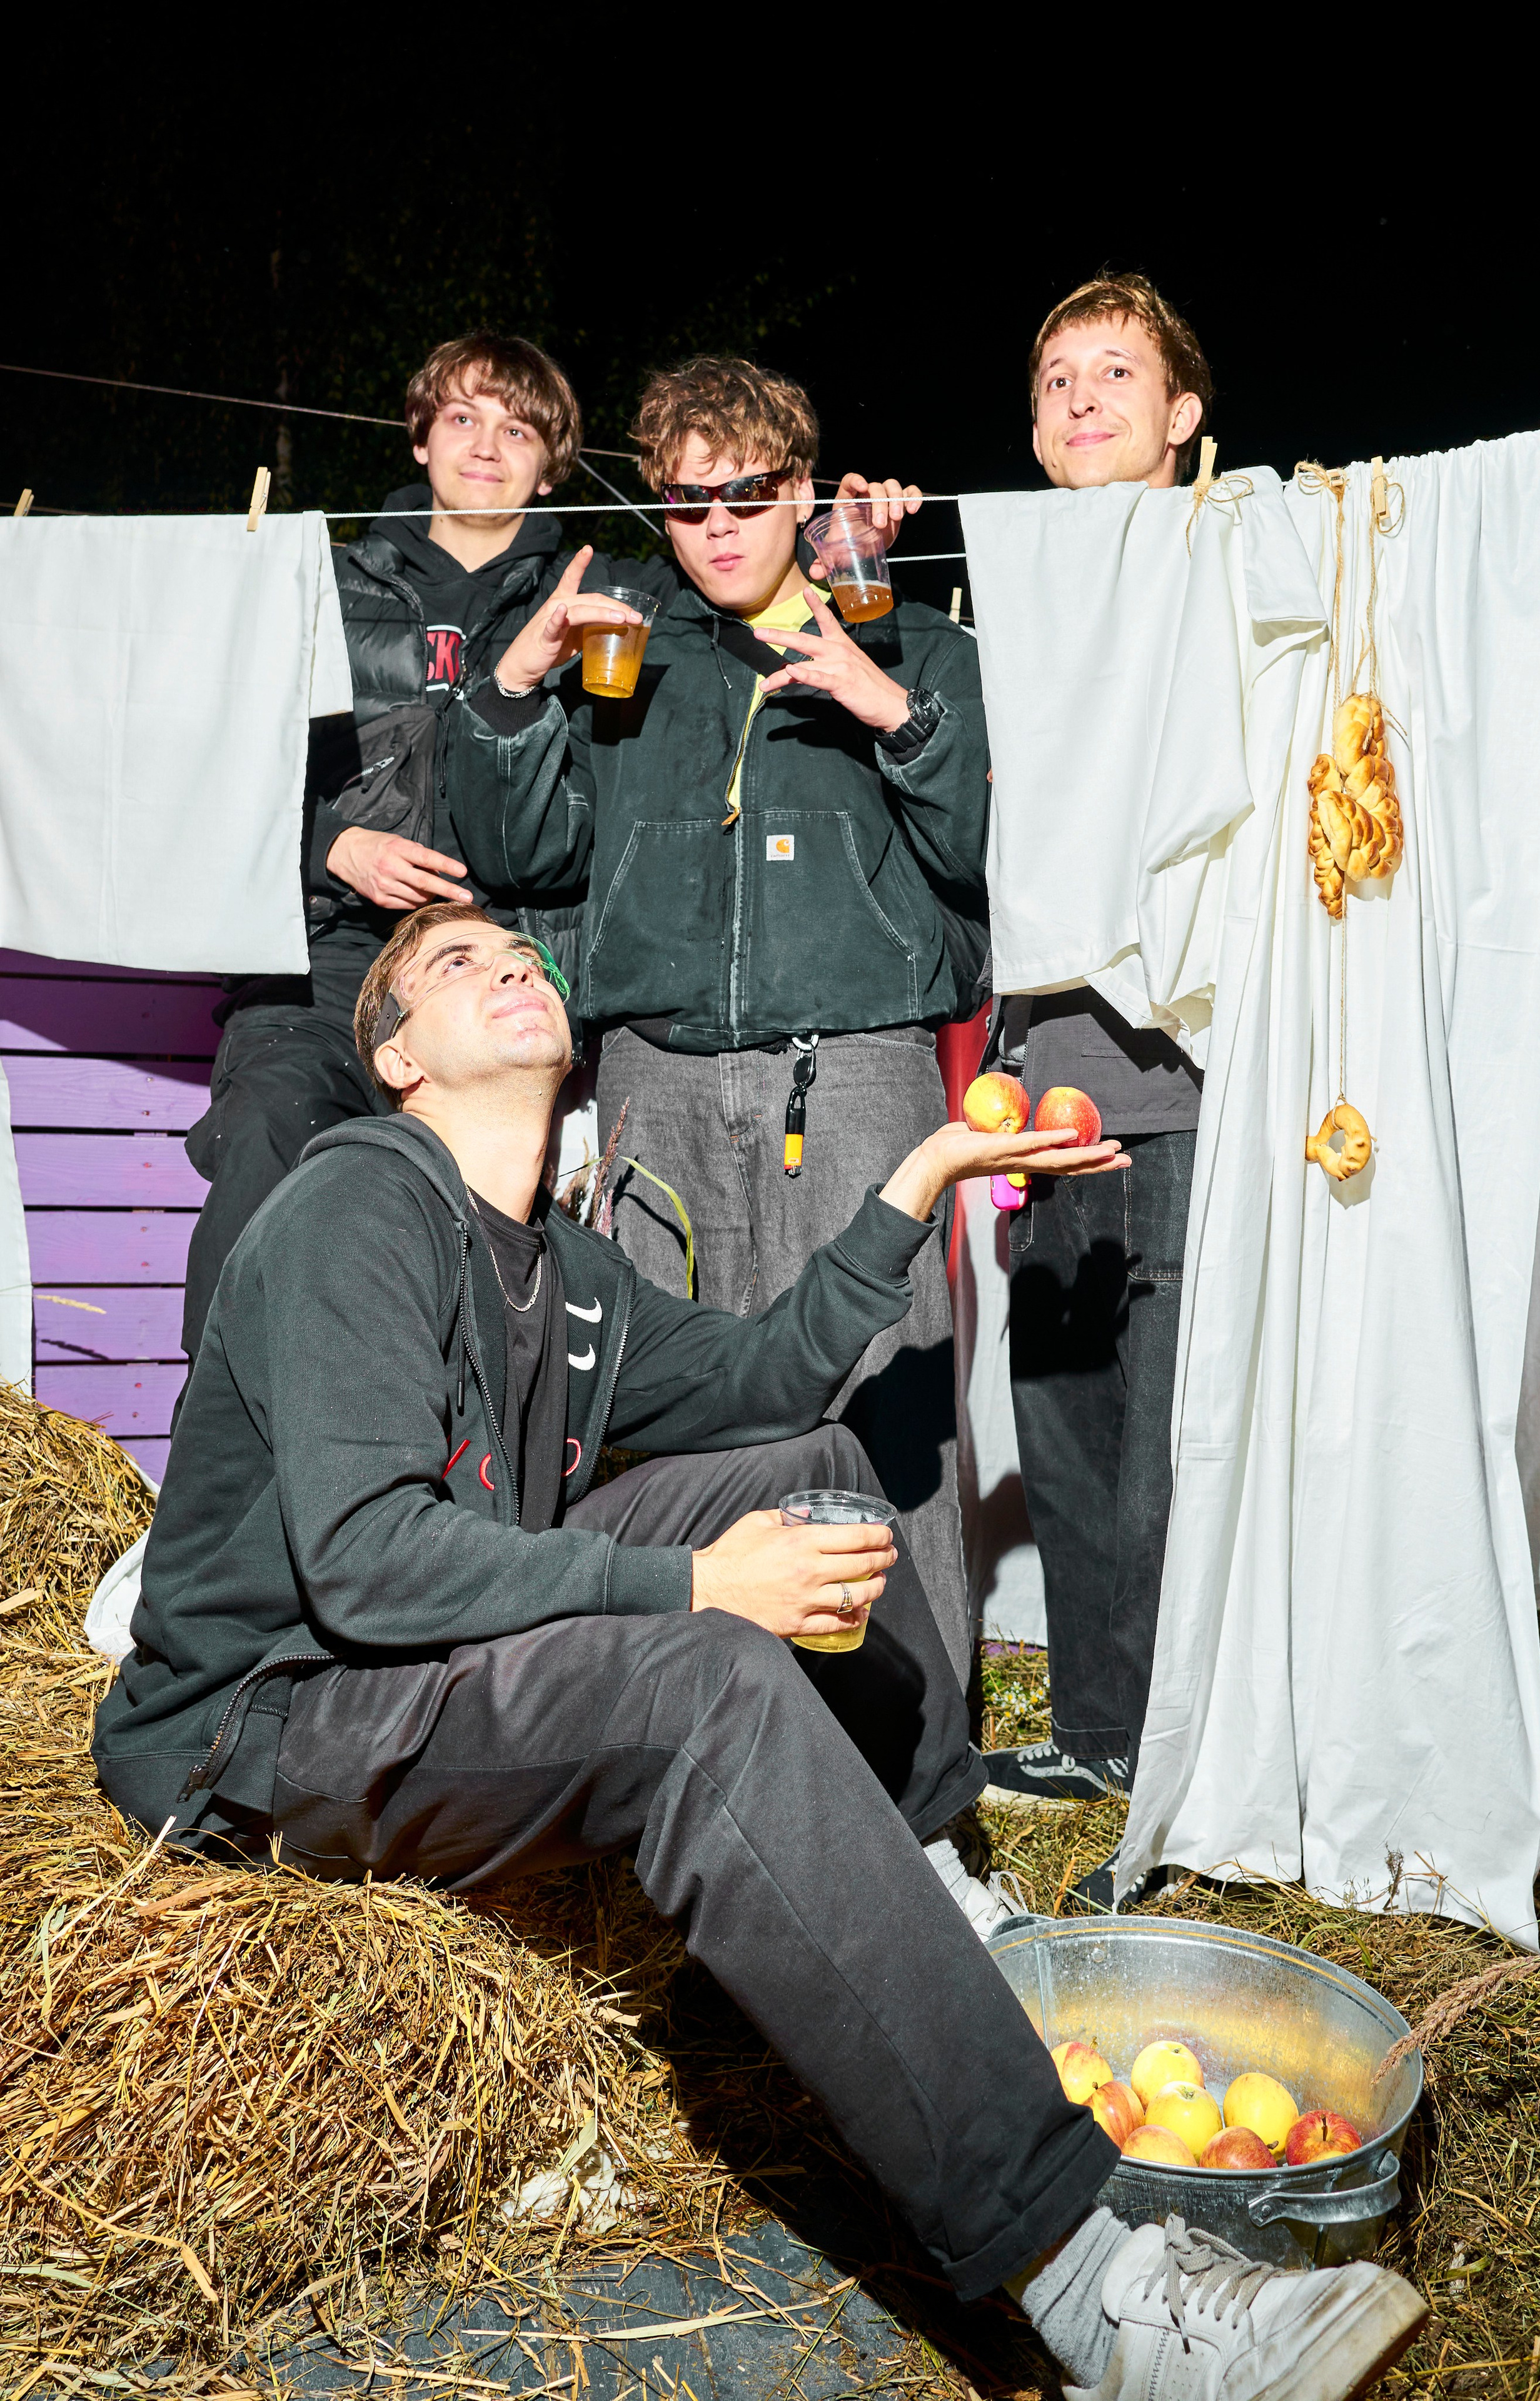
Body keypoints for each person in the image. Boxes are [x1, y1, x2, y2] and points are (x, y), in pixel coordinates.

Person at [93, 901, 1422, 2401]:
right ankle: (1104, 2297)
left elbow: (765, 1375)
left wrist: (916, 1181)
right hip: (277, 1714)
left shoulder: (563, 1268)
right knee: (706, 1676)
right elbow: (364, 1561)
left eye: (522, 954)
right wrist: (691, 1585)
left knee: (812, 1471)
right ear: (398, 1058)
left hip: (421, 1641)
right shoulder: (357, 1207)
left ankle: (933, 1891)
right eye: (456, 965)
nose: (513, 965)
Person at [451, 355, 986, 1673]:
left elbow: (989, 853)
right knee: (673, 1420)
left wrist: (888, 709)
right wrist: (514, 692)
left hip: (855, 1075)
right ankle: (695, 1721)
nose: (718, 527)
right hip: (659, 1077)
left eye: (747, 496)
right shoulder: (625, 654)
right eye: (688, 504)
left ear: (801, 490)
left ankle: (918, 1751)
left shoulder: (911, 638)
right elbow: (521, 856)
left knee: (882, 1403)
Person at [177, 329, 657, 1379]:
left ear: (554, 464)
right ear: (420, 437)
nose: (486, 446)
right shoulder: (319, 586)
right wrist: (333, 847)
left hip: (510, 953)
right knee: (271, 1129)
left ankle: (455, 1463)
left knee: (478, 1235)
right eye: (464, 418)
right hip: (330, 959)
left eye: (518, 430)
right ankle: (222, 1445)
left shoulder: (604, 602)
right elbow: (219, 774)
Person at [982, 275, 1212, 1821]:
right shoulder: (1013, 604)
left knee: (1166, 1438)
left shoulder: (1225, 560)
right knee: (1064, 1419)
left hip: (1179, 1087)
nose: (1078, 398)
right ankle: (1095, 1731)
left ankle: (1180, 1747)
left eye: (1114, 372)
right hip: (1044, 1087)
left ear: (1180, 414)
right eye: (1055, 378)